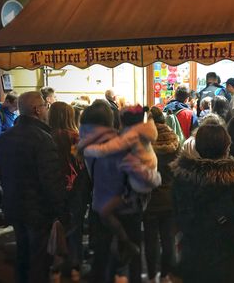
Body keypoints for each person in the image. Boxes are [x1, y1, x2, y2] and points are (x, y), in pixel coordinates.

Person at [171, 124, 234, 283]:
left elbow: (175, 220)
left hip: (193, 262)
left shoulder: (182, 180)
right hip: (231, 265)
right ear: (227, 148)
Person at [78, 101, 161, 283]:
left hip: (100, 204)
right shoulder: (118, 145)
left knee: (104, 253)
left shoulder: (86, 145)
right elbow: (137, 174)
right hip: (126, 206)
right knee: (131, 259)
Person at [0, 91, 67, 283]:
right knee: (39, 261)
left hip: (14, 207)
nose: (46, 109)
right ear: (36, 110)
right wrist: (62, 210)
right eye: (44, 105)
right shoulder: (43, 139)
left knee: (23, 254)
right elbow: (50, 180)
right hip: (38, 211)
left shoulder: (4, 138)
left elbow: (3, 174)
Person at [48, 102, 92, 282]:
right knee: (75, 229)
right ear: (69, 116)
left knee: (56, 228)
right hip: (76, 190)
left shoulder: (47, 136)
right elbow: (80, 164)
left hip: (54, 188)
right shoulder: (75, 137)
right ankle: (74, 268)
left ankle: (56, 268)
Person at [144, 107, 180, 283]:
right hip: (170, 196)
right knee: (168, 239)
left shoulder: (145, 142)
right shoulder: (175, 139)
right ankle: (166, 275)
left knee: (150, 240)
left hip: (150, 198)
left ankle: (151, 275)